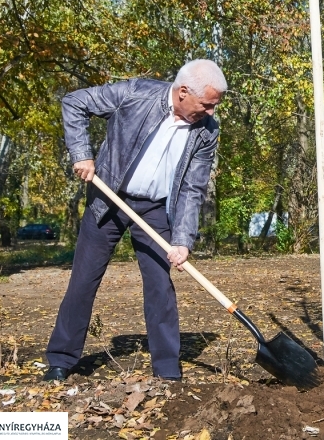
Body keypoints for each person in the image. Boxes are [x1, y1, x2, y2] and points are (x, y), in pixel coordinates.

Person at [43, 59, 227, 382]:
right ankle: (61, 359)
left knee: (160, 285)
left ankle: (168, 367)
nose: (211, 112)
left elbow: (193, 188)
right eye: (207, 104)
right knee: (83, 281)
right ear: (183, 92)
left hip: (153, 209)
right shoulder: (136, 93)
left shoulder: (206, 132)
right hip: (109, 197)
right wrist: (81, 154)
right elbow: (75, 102)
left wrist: (183, 239)